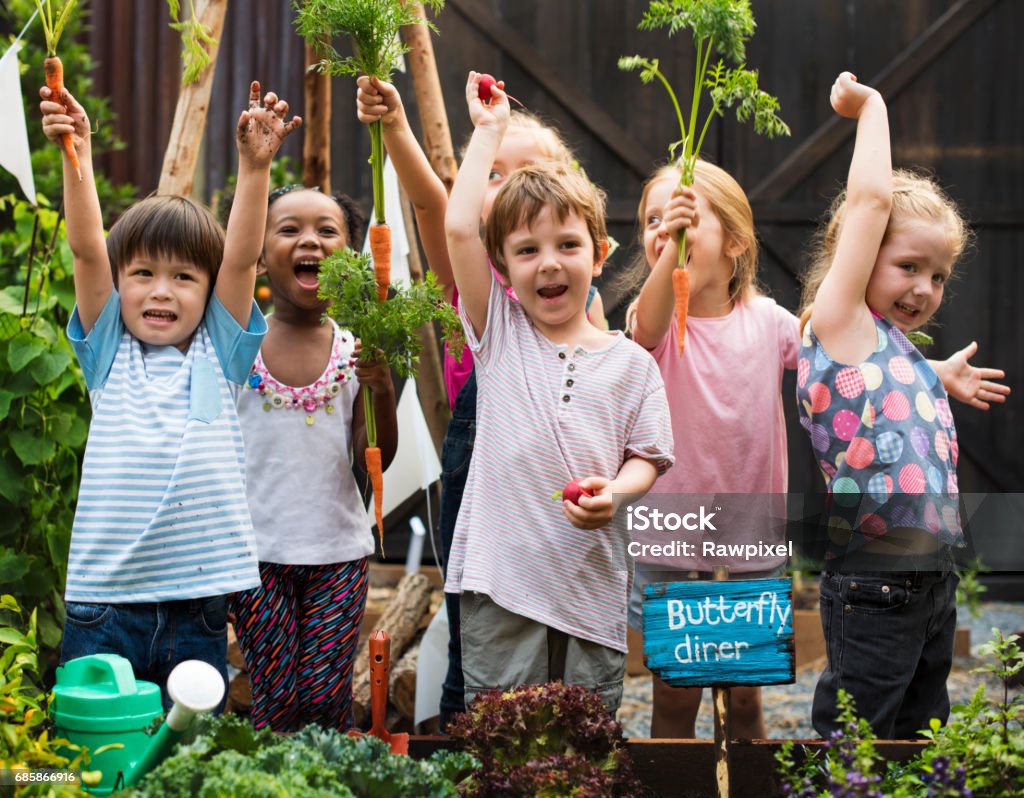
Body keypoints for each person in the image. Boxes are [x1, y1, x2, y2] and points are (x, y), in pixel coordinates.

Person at [356, 75, 604, 728]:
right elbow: (437, 205)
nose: (511, 186)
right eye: (493, 173)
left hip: (559, 462)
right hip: (485, 448)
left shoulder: (575, 286)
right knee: (480, 626)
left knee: (558, 622)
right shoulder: (480, 276)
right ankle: (469, 748)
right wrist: (400, 129)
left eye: (531, 172)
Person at [41, 81, 300, 705]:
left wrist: (255, 167)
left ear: (208, 292)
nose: (161, 292)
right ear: (120, 283)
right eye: (143, 275)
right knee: (93, 761)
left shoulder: (221, 352)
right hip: (106, 604)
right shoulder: (110, 353)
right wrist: (76, 152)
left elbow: (239, 262)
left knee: (183, 765)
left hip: (198, 609)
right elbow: (85, 248)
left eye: (184, 277)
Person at [443, 71, 674, 713]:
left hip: (589, 586)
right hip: (501, 584)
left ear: (598, 255)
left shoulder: (631, 364)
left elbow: (649, 456)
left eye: (567, 245)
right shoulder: (499, 333)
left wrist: (617, 493)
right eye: (527, 250)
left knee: (582, 737)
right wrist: (487, 133)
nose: (548, 262)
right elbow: (460, 229)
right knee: (500, 736)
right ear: (505, 267)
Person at [797, 72, 1008, 738]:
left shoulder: (892, 350)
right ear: (856, 260)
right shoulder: (839, 321)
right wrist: (872, 109)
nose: (925, 287)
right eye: (909, 265)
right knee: (859, 732)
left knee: (922, 731)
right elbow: (867, 202)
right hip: (874, 580)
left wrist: (935, 375)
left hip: (929, 579)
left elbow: (885, 396)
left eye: (939, 275)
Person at [626, 159, 801, 739]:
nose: (664, 230)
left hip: (751, 540)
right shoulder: (652, 326)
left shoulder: (771, 323)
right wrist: (673, 247)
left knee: (747, 701)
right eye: (653, 219)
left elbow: (840, 359)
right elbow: (647, 324)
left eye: (683, 218)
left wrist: (929, 372)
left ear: (736, 242)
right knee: (676, 702)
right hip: (671, 540)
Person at [228, 184, 398, 731]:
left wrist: (383, 392)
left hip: (337, 556)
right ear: (258, 253)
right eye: (289, 229)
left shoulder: (355, 349)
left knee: (325, 697)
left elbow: (374, 458)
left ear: (350, 259)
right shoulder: (239, 346)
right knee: (274, 695)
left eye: (328, 231)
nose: (311, 241)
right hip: (258, 557)